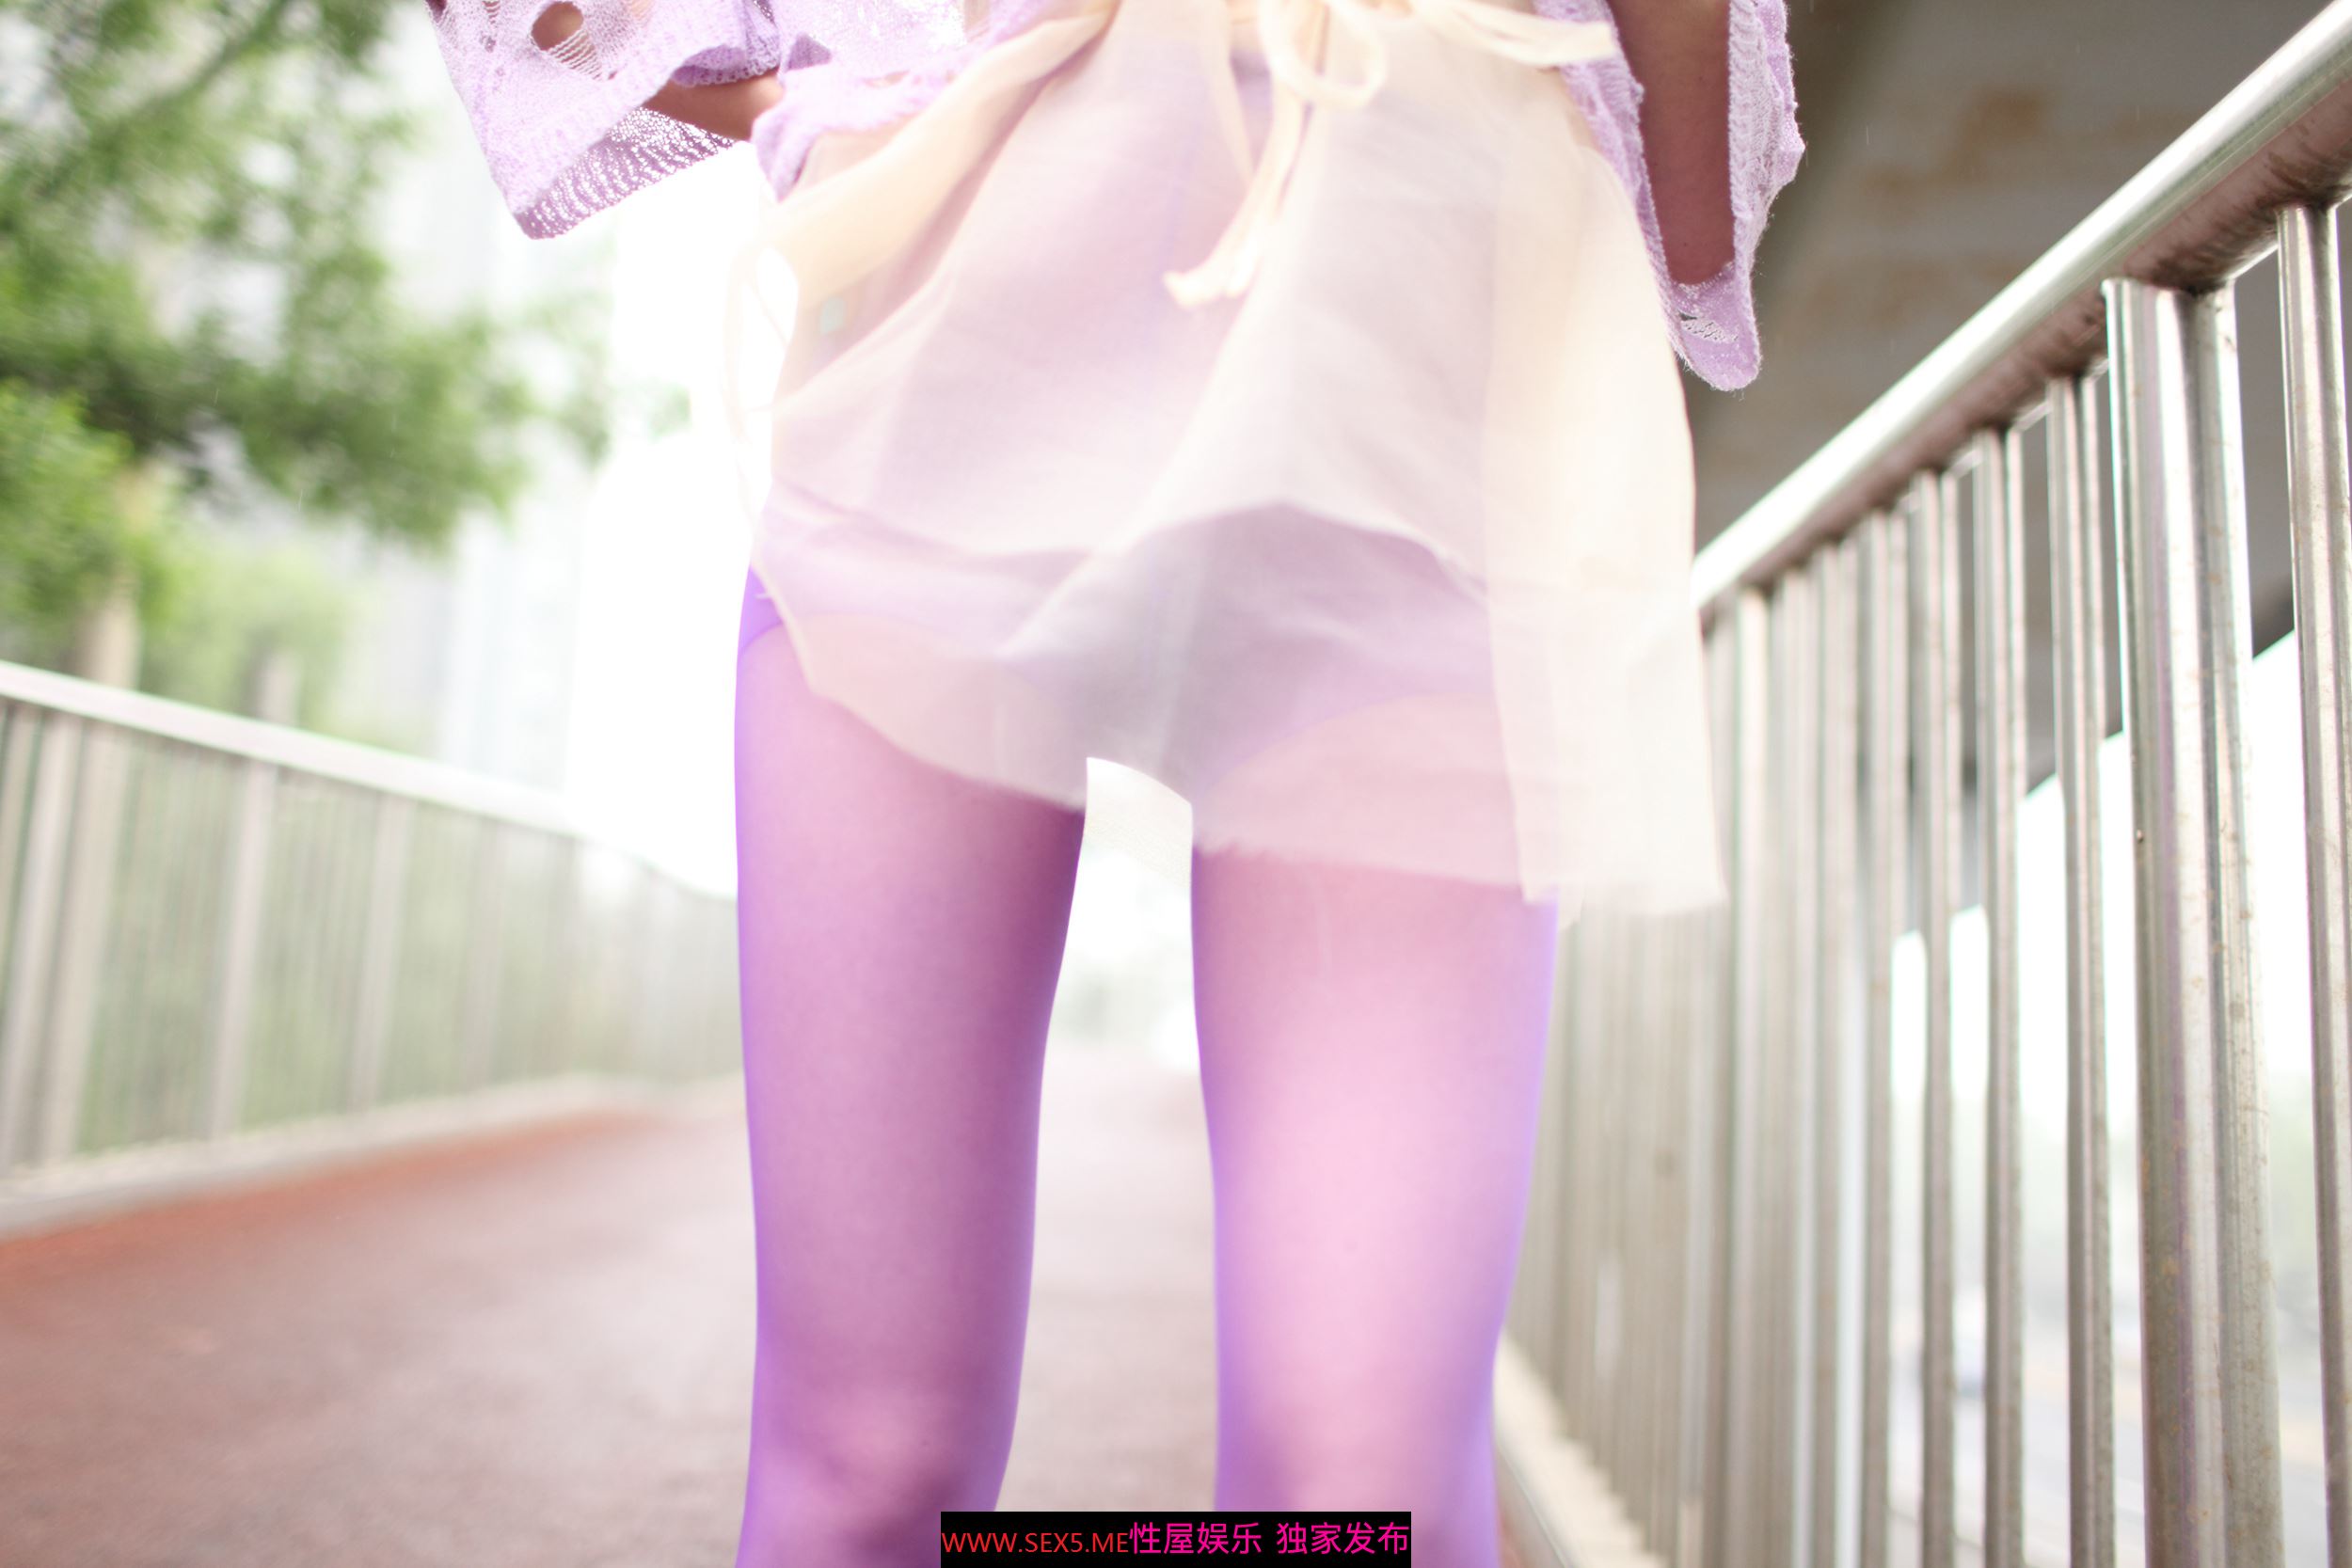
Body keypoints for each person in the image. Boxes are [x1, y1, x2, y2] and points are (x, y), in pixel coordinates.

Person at [423, 0, 1799, 1559]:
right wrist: (831, 96)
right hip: (949, 381)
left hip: (1397, 391)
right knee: (872, 1459)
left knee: (1361, 1490)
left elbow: (1691, 203)